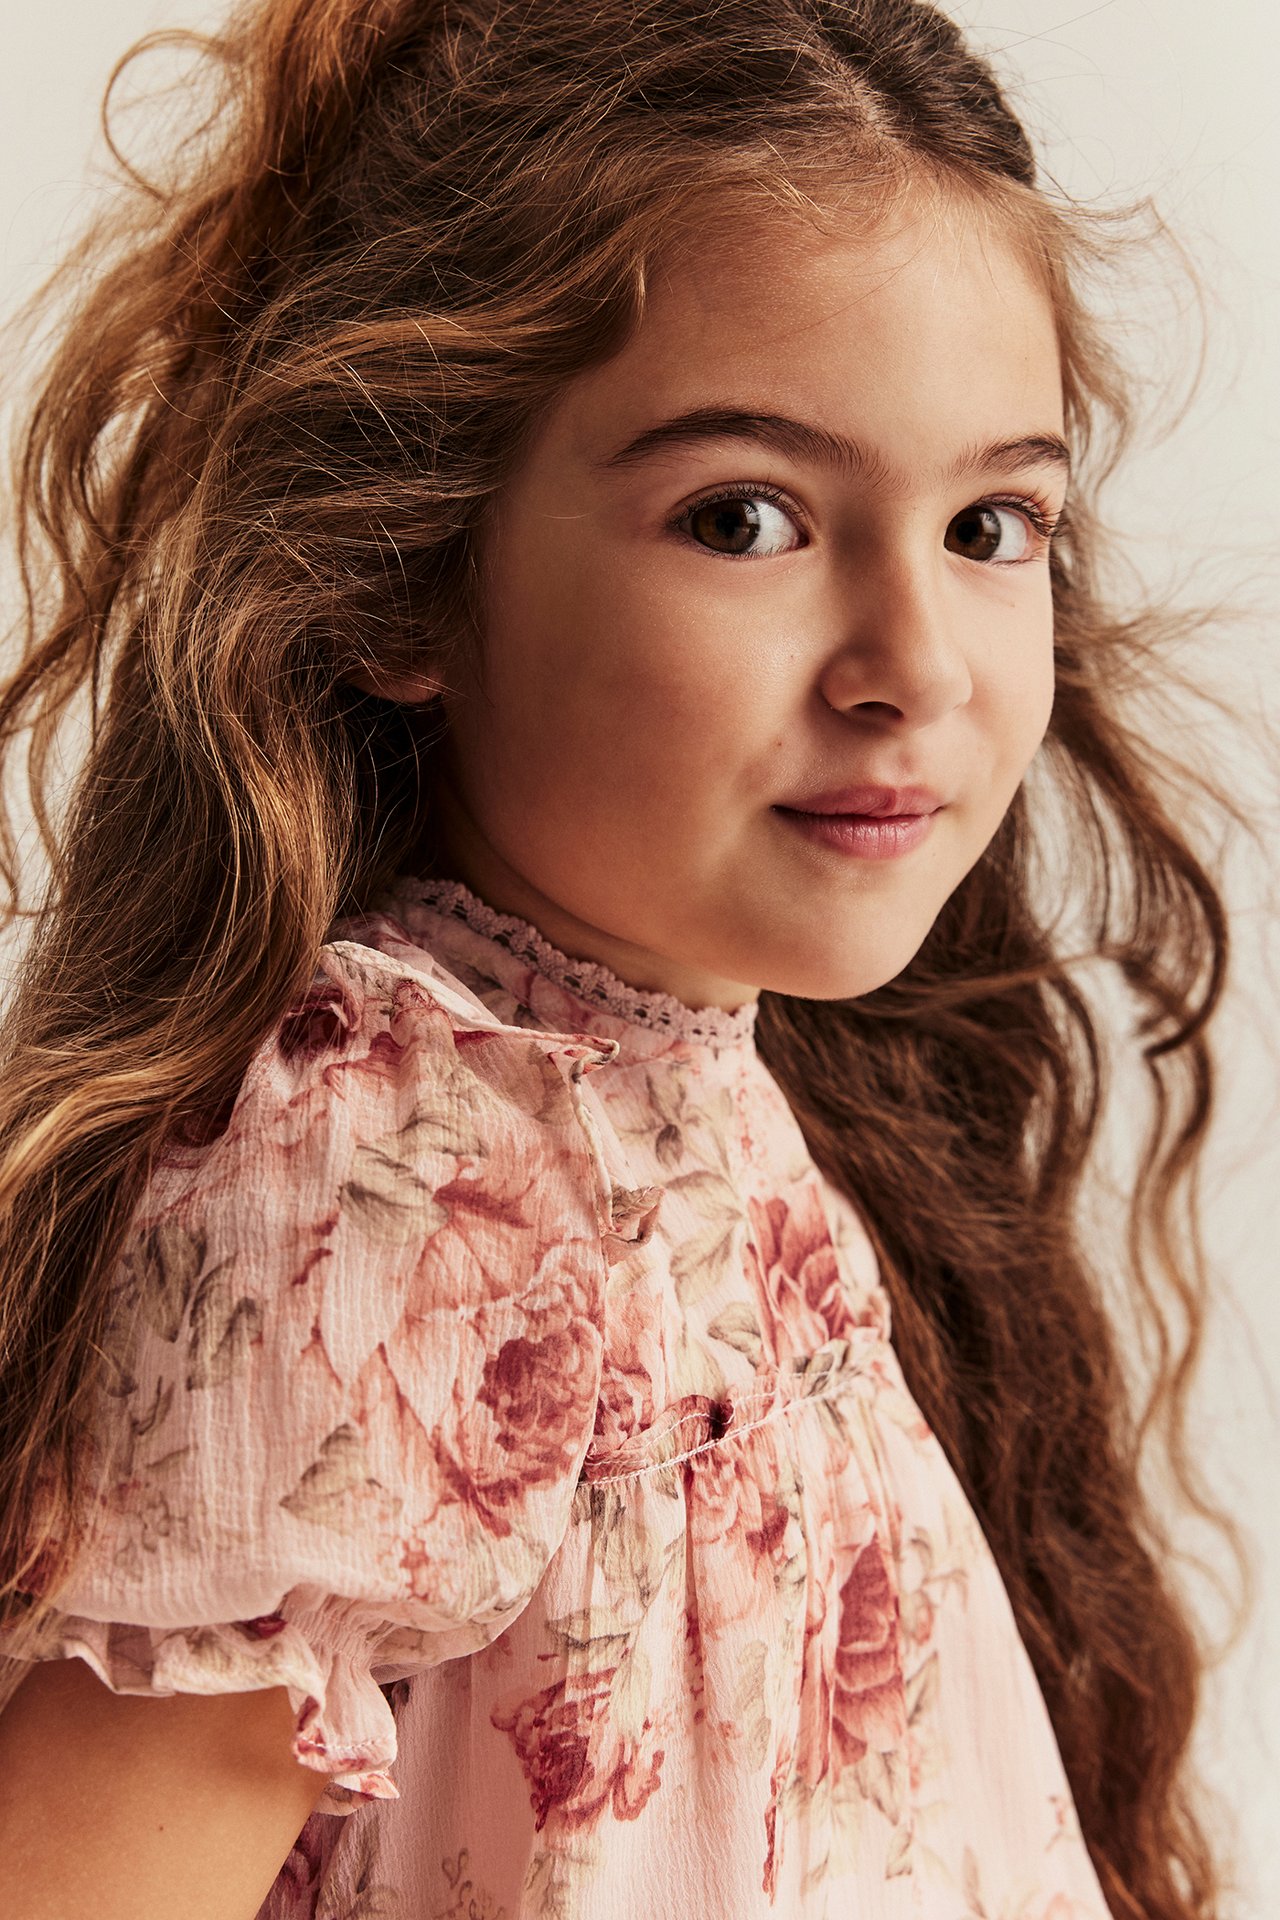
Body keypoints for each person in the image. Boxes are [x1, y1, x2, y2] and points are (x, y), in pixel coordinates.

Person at [0, 1, 1250, 1916]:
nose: (914, 660)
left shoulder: (703, 1099)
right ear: (409, 565)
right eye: (744, 518)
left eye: (994, 524)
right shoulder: (390, 1179)